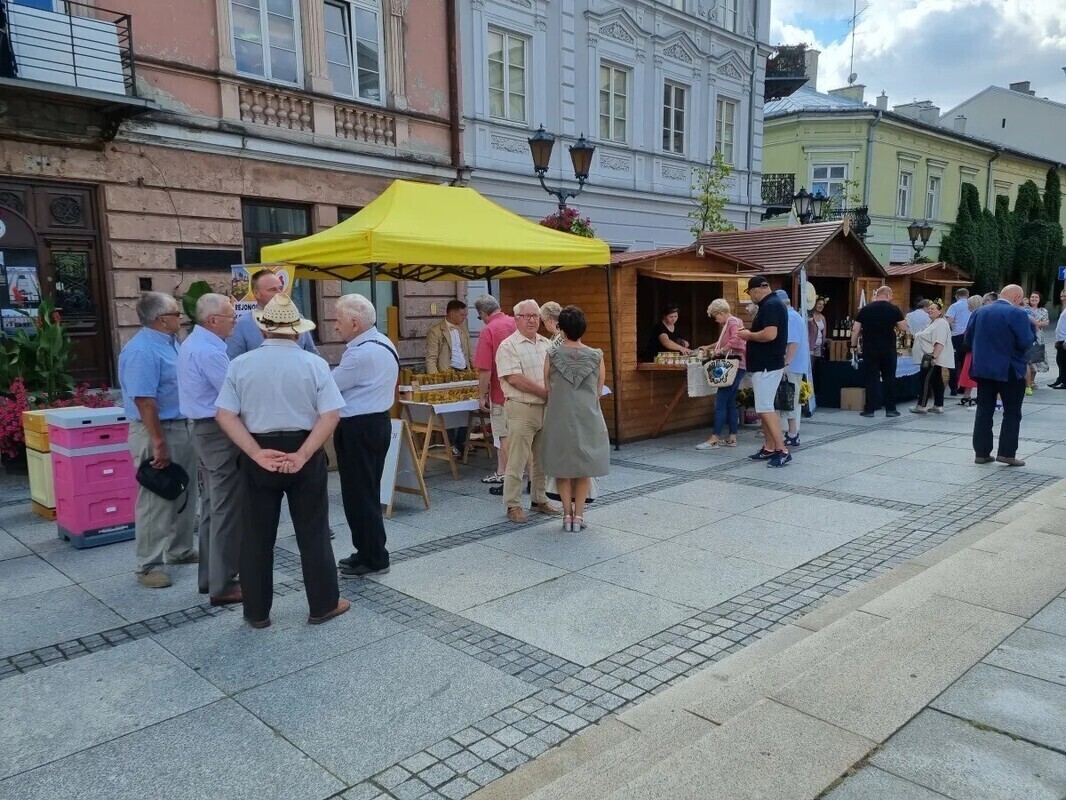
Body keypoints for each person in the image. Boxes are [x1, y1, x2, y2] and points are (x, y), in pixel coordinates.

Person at [215, 293, 349, 628]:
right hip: (305, 448)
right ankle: (323, 605)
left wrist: (255, 452)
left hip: (259, 451)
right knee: (313, 533)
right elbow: (330, 415)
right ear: (297, 331)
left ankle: (256, 612)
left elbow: (225, 415)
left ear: (263, 330)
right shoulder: (314, 364)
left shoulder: (240, 364)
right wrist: (303, 453)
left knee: (256, 536)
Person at [119, 292, 198, 589]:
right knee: (156, 497)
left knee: (184, 490)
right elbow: (144, 400)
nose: (181, 317)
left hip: (180, 425)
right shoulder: (142, 350)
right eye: (177, 313)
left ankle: (180, 549)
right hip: (157, 429)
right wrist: (159, 442)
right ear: (162, 319)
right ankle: (148, 564)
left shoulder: (170, 344)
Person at [177, 293, 242, 605]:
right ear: (213, 320)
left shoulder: (196, 343)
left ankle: (210, 578)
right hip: (216, 432)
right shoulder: (209, 352)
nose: (236, 320)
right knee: (224, 507)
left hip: (204, 430)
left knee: (212, 505)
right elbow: (235, 396)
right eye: (231, 316)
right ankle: (223, 584)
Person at [331, 294, 398, 578]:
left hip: (358, 428)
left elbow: (329, 387)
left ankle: (374, 556)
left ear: (355, 323)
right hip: (378, 423)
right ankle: (366, 549)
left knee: (359, 496)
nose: (335, 326)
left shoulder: (358, 354)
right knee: (366, 492)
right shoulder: (384, 342)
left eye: (338, 320)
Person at [540, 306, 609, 532]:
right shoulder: (597, 355)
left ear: (561, 328)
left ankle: (566, 516)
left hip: (559, 417)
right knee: (584, 468)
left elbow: (547, 387)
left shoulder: (551, 354)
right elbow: (598, 390)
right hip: (588, 417)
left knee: (562, 467)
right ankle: (579, 517)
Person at [495, 299, 561, 523]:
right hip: (522, 408)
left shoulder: (546, 344)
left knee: (542, 458)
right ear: (516, 319)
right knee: (517, 460)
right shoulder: (508, 345)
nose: (533, 320)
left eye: (535, 316)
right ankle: (512, 504)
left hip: (545, 409)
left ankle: (539, 499)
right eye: (527, 316)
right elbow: (514, 378)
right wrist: (545, 393)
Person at [965, 284, 1032, 467]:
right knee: (1011, 412)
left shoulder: (979, 312)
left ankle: (981, 453)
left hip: (983, 369)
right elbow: (1026, 341)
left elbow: (967, 339)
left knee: (984, 411)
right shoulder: (1017, 314)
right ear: (1018, 298)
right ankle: (1007, 453)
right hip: (1009, 369)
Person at [738, 276, 791, 468]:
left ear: (758, 289)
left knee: (765, 408)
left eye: (750, 292)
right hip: (767, 364)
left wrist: (748, 335)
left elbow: (770, 334)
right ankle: (769, 447)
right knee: (765, 408)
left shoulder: (771, 305)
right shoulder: (773, 303)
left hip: (767, 365)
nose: (751, 296)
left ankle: (782, 450)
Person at [473, 294, 517, 485]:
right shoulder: (516, 322)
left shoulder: (488, 330)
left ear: (483, 313)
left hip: (500, 392)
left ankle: (506, 475)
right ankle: (512, 471)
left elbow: (485, 369)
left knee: (503, 435)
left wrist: (481, 395)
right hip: (521, 390)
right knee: (521, 434)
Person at [227, 269, 319, 358]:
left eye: (280, 288)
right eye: (273, 290)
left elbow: (312, 355)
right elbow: (233, 361)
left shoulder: (297, 319)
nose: (280, 293)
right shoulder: (241, 325)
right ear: (256, 293)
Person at [424, 299, 472, 455]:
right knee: (449, 410)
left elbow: (468, 352)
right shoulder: (436, 331)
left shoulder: (463, 329)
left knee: (467, 408)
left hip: (464, 372)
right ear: (452, 313)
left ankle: (463, 441)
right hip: (447, 374)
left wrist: (475, 368)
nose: (464, 317)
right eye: (462, 314)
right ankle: (450, 443)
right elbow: (431, 357)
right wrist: (435, 380)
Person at [697, 298, 746, 449]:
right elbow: (726, 341)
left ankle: (714, 438)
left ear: (720, 312)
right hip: (739, 366)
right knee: (730, 403)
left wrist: (721, 350)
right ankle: (732, 437)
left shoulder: (732, 322)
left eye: (715, 316)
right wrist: (710, 346)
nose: (716, 320)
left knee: (720, 402)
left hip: (733, 366)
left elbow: (736, 339)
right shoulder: (732, 322)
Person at [851, 285, 906, 418]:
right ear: (888, 295)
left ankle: (870, 409)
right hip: (888, 349)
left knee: (871, 379)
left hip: (870, 349)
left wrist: (853, 346)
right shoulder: (894, 309)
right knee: (889, 378)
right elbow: (903, 327)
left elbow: (855, 330)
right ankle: (891, 409)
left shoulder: (865, 309)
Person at [775, 289, 810, 448]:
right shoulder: (794, 316)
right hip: (795, 365)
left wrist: (785, 364)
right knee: (790, 399)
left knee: (788, 399)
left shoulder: (789, 318)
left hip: (791, 366)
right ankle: (790, 433)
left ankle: (792, 433)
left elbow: (793, 342)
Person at [909, 300, 954, 414]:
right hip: (930, 356)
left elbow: (940, 341)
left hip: (931, 357)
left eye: (932, 309)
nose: (929, 310)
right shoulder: (933, 323)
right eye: (929, 309)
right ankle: (938, 405)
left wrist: (934, 357)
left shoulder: (941, 323)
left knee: (925, 379)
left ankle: (921, 405)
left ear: (940, 311)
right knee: (936, 381)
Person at [956, 295, 983, 408]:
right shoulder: (979, 314)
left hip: (973, 348)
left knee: (969, 370)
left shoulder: (976, 315)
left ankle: (967, 395)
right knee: (971, 370)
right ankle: (968, 395)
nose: (967, 306)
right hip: (976, 348)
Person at [945, 288, 971, 395]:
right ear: (968, 295)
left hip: (956, 336)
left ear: (956, 296)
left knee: (953, 363)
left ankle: (954, 387)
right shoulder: (972, 306)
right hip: (969, 336)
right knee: (966, 363)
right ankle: (964, 387)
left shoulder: (954, 306)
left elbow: (949, 321)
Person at [1024, 291, 1049, 396]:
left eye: (1036, 297)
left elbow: (1046, 322)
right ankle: (1027, 382)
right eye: (1032, 297)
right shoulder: (1025, 309)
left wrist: (1036, 323)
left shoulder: (1043, 310)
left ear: (1040, 299)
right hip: (1027, 336)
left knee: (1036, 360)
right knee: (1028, 361)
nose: (1034, 299)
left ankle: (1032, 381)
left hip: (1038, 338)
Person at [1052, 288, 1066, 389]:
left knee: (1063, 361)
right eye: (1061, 296)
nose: (1062, 298)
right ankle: (1060, 379)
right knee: (1060, 361)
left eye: (1065, 296)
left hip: (1064, 341)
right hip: (1060, 340)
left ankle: (1064, 382)